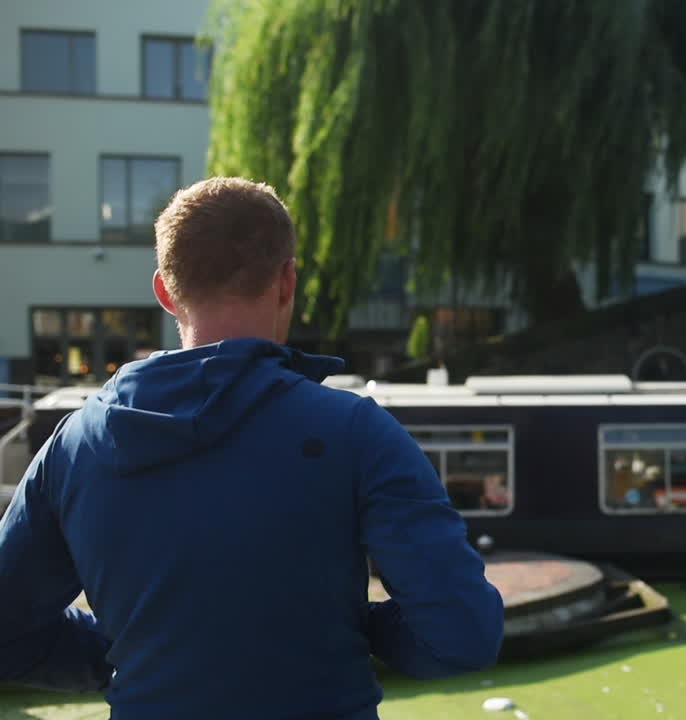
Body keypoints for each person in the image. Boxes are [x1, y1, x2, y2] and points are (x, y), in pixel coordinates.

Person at [0, 178, 504, 718]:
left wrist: (134, 659)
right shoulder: (356, 431)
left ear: (165, 291)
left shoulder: (72, 446)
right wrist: (356, 625)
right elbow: (460, 633)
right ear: (287, 282)